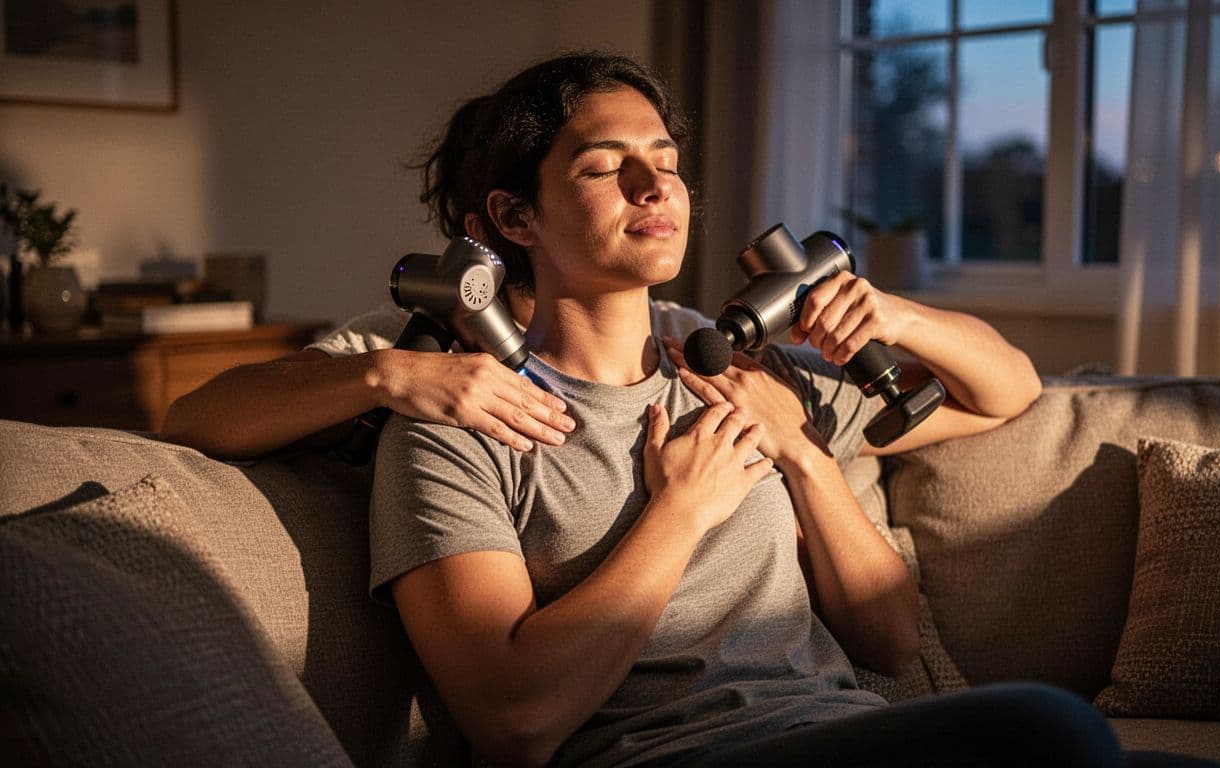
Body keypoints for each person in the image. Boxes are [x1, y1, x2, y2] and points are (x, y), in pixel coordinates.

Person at [363, 50, 1161, 768]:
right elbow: (514, 723)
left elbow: (895, 628)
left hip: (836, 728)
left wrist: (823, 425)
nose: (655, 187)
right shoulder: (458, 431)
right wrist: (681, 509)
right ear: (513, 218)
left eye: (666, 163)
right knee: (1048, 732)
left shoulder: (742, 374)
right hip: (672, 754)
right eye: (606, 167)